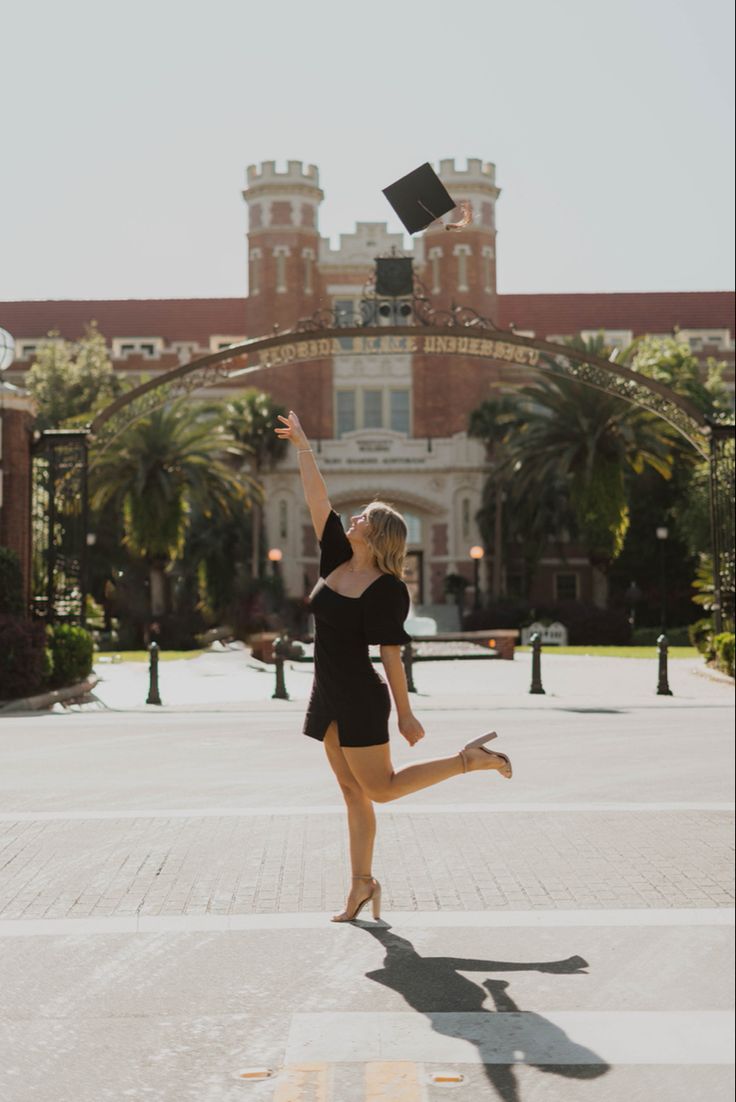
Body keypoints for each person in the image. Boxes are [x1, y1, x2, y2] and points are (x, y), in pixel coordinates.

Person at [274, 411, 512, 923]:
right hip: (327, 691)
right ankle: (362, 885)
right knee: (350, 792)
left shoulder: (387, 590)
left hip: (360, 693)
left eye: (364, 518)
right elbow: (319, 500)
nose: (353, 519)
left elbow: (390, 655)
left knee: (378, 789)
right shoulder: (336, 556)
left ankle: (470, 760)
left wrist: (405, 714)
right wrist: (304, 445)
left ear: (377, 534)